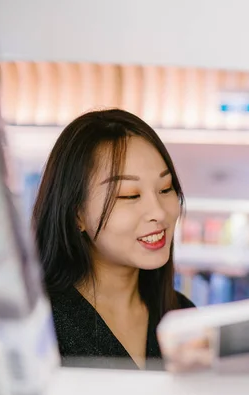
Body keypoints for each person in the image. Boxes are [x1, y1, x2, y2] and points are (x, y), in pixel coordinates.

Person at [32, 109, 195, 370]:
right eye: (129, 195)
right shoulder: (38, 325)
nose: (159, 212)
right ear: (77, 215)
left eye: (165, 189)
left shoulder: (183, 318)